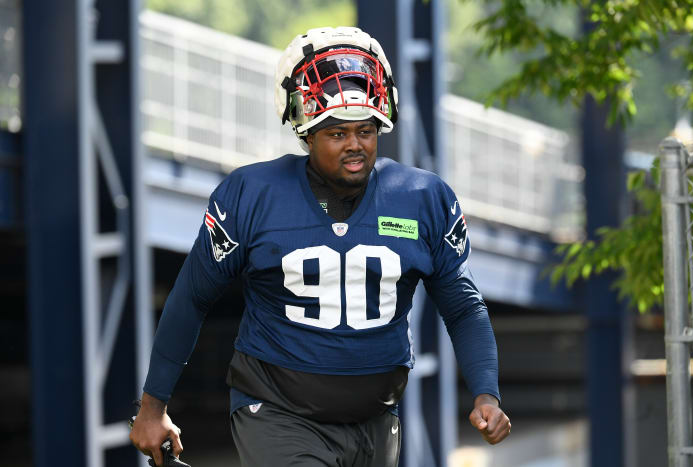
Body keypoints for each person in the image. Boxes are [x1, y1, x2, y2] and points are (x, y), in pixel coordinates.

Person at [130, 26, 510, 467]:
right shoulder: (251, 195)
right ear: (306, 132)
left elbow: (463, 306)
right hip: (277, 413)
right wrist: (152, 407)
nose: (355, 146)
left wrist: (487, 392)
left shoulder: (422, 197)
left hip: (377, 420)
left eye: (366, 130)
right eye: (337, 133)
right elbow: (191, 298)